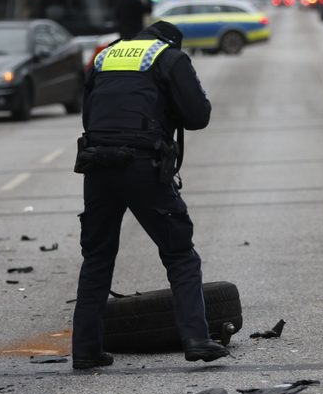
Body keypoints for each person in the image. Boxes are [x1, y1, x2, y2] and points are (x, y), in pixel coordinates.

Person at [71, 20, 229, 368]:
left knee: (97, 258)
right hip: (141, 164)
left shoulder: (106, 55)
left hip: (96, 164)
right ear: (171, 41)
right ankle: (197, 339)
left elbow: (88, 115)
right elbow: (197, 115)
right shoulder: (168, 57)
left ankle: (85, 351)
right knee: (179, 253)